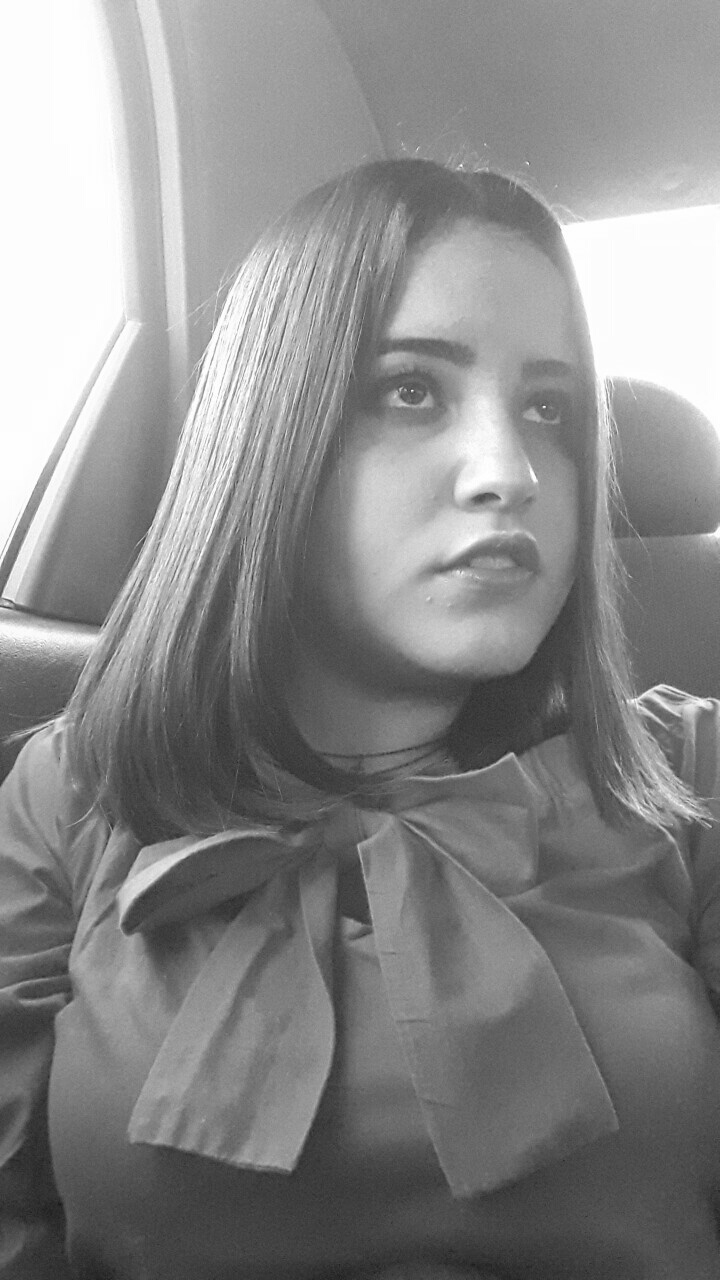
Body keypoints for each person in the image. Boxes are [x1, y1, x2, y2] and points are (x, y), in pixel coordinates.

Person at [1, 158, 720, 1280]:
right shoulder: (70, 798)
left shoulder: (682, 776)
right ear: (268, 431)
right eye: (412, 391)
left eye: (550, 409)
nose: (511, 471)